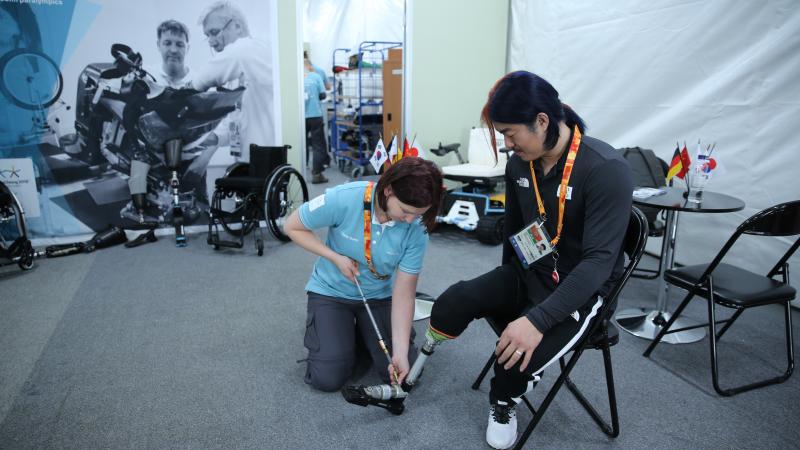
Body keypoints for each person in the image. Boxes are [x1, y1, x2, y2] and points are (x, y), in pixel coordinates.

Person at [359, 71, 631, 449]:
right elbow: (516, 237)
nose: (506, 144)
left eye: (509, 133)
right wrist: (502, 288)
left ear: (541, 121)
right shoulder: (521, 164)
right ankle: (415, 366)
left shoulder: (605, 169)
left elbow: (598, 264)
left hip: (581, 291)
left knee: (512, 355)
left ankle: (504, 401)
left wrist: (536, 319)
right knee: (455, 300)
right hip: (530, 273)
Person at [284, 157, 443, 392]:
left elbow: (404, 293)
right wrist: (334, 257)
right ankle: (348, 334)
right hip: (332, 291)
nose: (410, 220)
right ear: (388, 190)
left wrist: (400, 353)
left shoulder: (417, 228)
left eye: (417, 214)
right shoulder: (344, 197)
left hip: (379, 295)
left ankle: (356, 333)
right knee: (327, 379)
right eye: (406, 211)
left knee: (402, 375)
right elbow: (292, 226)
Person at [189, 1, 275, 162]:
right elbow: (236, 120)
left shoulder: (252, 49)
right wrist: (212, 137)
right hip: (246, 160)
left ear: (237, 26)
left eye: (214, 32)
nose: (211, 42)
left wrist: (190, 88)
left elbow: (203, 79)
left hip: (269, 161)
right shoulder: (236, 73)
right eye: (207, 36)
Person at [304, 55, 328, 184]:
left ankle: (302, 169)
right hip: (315, 115)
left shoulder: (297, 77)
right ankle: (317, 174)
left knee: (303, 144)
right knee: (317, 145)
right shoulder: (316, 76)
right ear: (310, 66)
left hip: (300, 117)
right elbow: (323, 94)